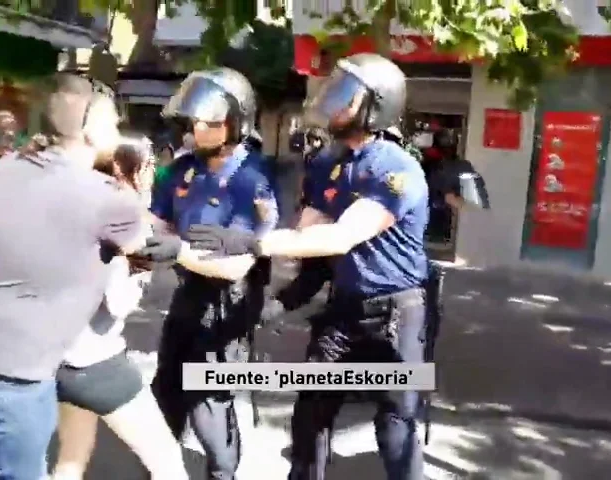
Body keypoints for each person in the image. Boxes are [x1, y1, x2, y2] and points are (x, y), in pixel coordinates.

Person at [185, 53, 430, 480]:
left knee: (396, 422)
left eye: (346, 98)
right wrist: (278, 296)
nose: (333, 104)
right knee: (310, 415)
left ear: (377, 106)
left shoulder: (396, 168)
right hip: (345, 309)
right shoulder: (327, 164)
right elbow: (307, 241)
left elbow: (340, 236)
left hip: (399, 313)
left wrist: (251, 242)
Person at [0, 74, 160, 480]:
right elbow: (146, 248)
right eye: (112, 124)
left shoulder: (7, 166)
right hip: (8, 378)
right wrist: (141, 194)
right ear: (91, 128)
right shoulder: (105, 197)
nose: (118, 133)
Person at [141, 66, 279, 480]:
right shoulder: (183, 169)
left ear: (236, 123)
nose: (197, 127)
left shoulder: (251, 179)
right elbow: (157, 221)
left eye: (210, 120)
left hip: (228, 304)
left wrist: (178, 251)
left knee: (209, 406)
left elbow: (238, 263)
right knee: (166, 395)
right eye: (194, 120)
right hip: (189, 295)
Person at [51, 135, 189, 480]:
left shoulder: (78, 202)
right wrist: (142, 271)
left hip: (60, 355)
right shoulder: (121, 217)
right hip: (97, 361)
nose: (153, 173)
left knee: (71, 459)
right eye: (148, 166)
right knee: (167, 460)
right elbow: (117, 302)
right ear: (128, 169)